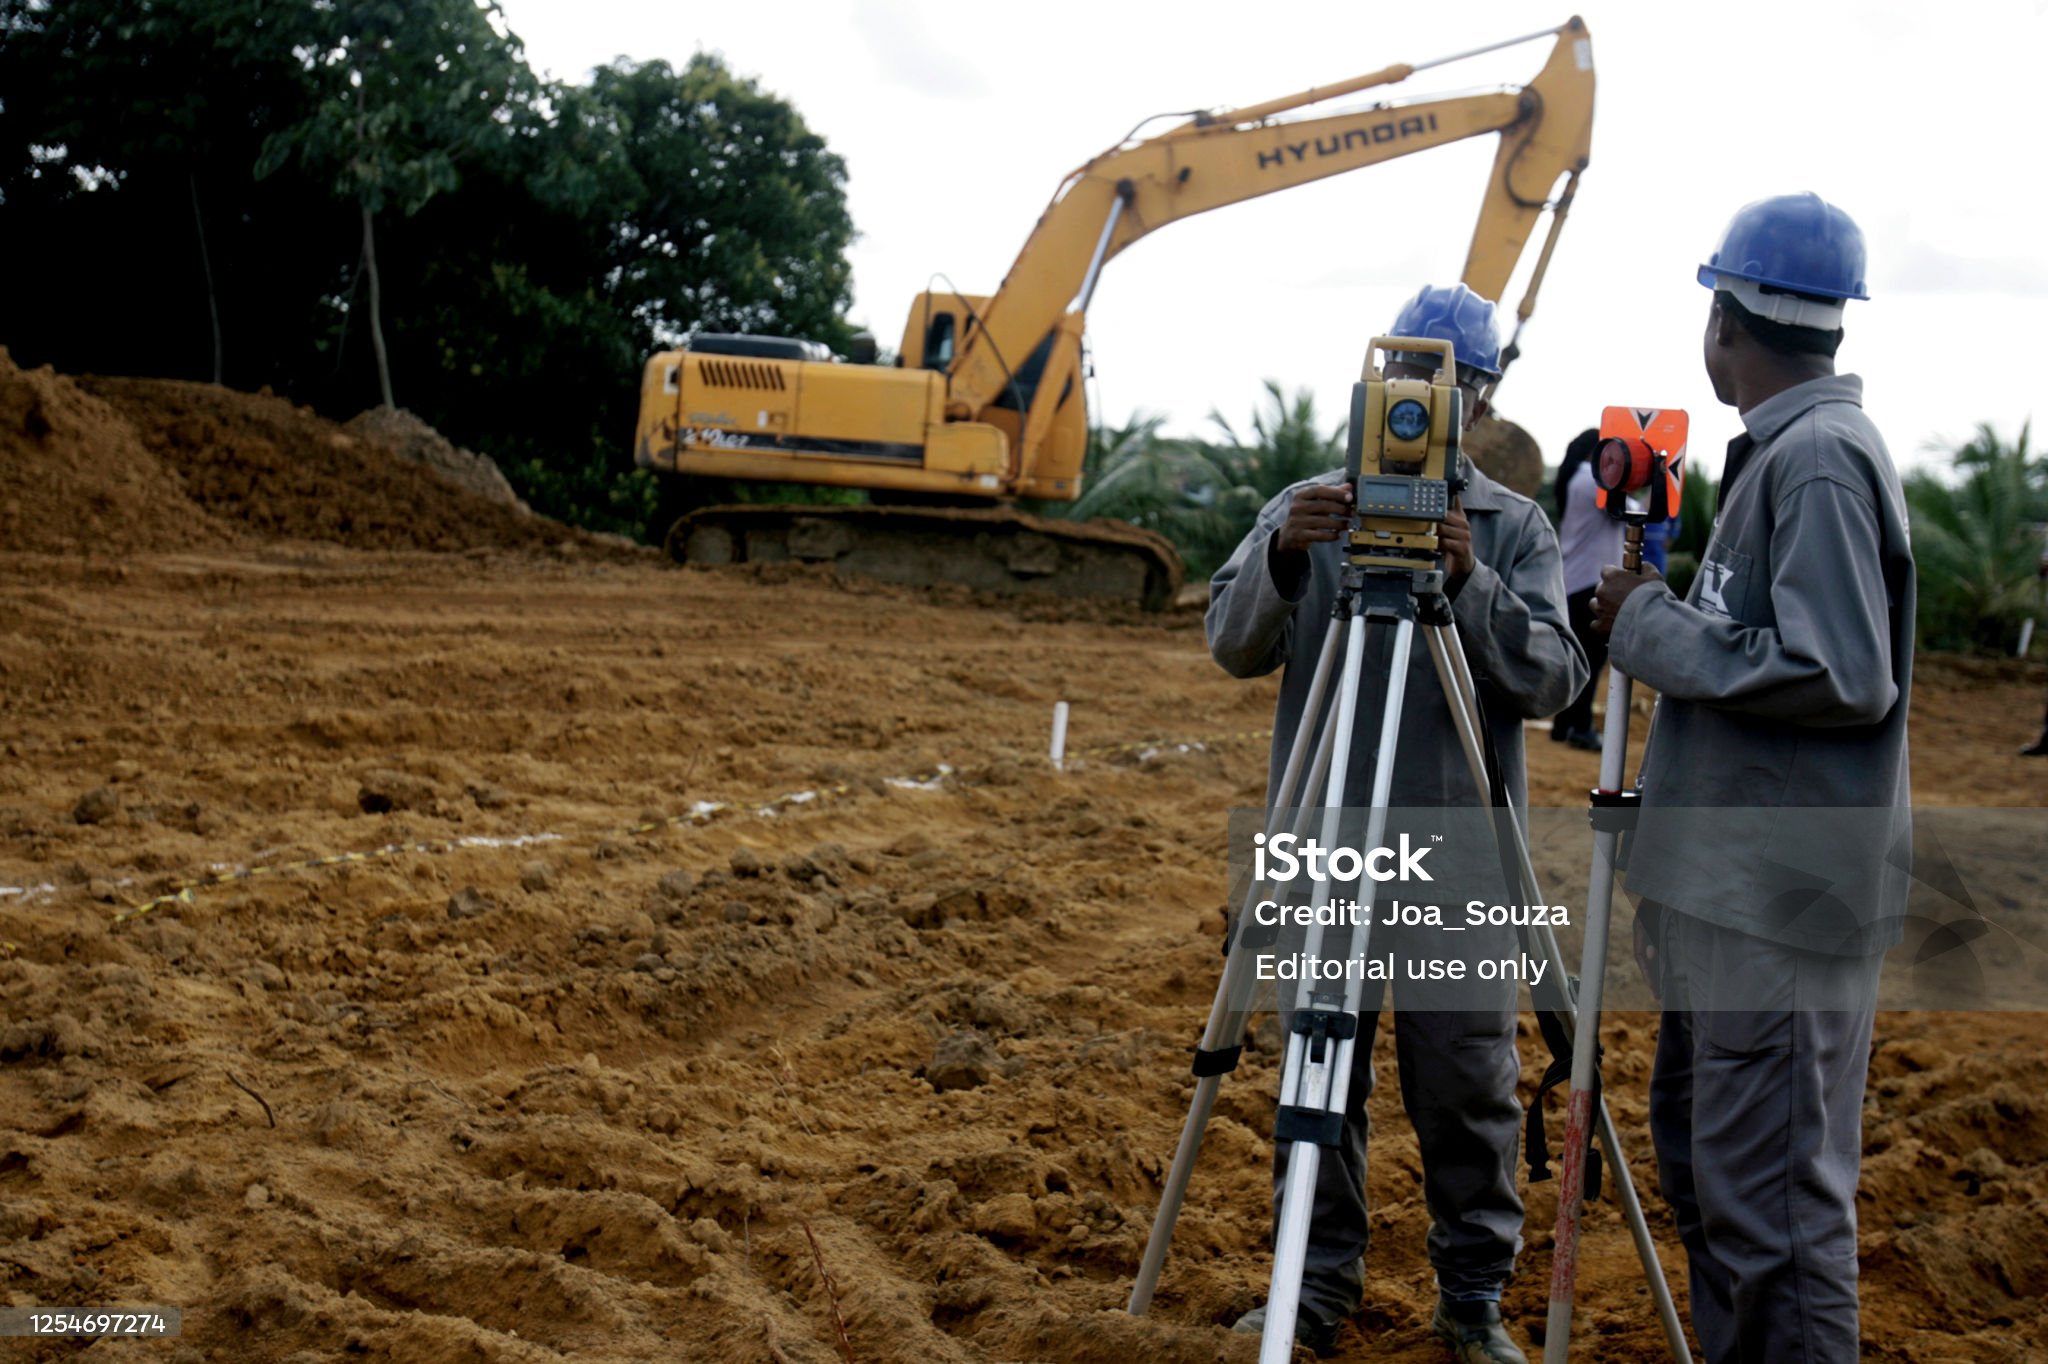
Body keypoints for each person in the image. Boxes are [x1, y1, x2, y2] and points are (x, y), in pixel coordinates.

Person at [1208, 283, 1586, 1362]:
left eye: (1450, 381)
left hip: (1457, 859)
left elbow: (1555, 679)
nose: (1424, 397)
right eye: (1407, 373)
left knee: (1467, 1086)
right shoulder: (1309, 506)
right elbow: (1230, 642)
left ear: (1484, 397)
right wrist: (1285, 558)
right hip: (1325, 840)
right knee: (1315, 1074)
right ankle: (1310, 1286)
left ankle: (1471, 1298)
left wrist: (1469, 582)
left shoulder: (1511, 529)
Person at [1590, 192, 1914, 1364]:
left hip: (1776, 908)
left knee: (1772, 1211)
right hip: (1737, 895)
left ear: (1723, 321)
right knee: (1719, 1180)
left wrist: (1647, 625)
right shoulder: (1788, 452)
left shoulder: (1815, 461)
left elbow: (1839, 670)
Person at [1551, 428, 1619, 750]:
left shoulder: (1574, 479)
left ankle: (1563, 724)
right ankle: (1580, 727)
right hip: (1594, 582)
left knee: (1577, 658)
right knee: (1592, 659)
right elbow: (1632, 508)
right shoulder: (1594, 480)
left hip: (1574, 580)